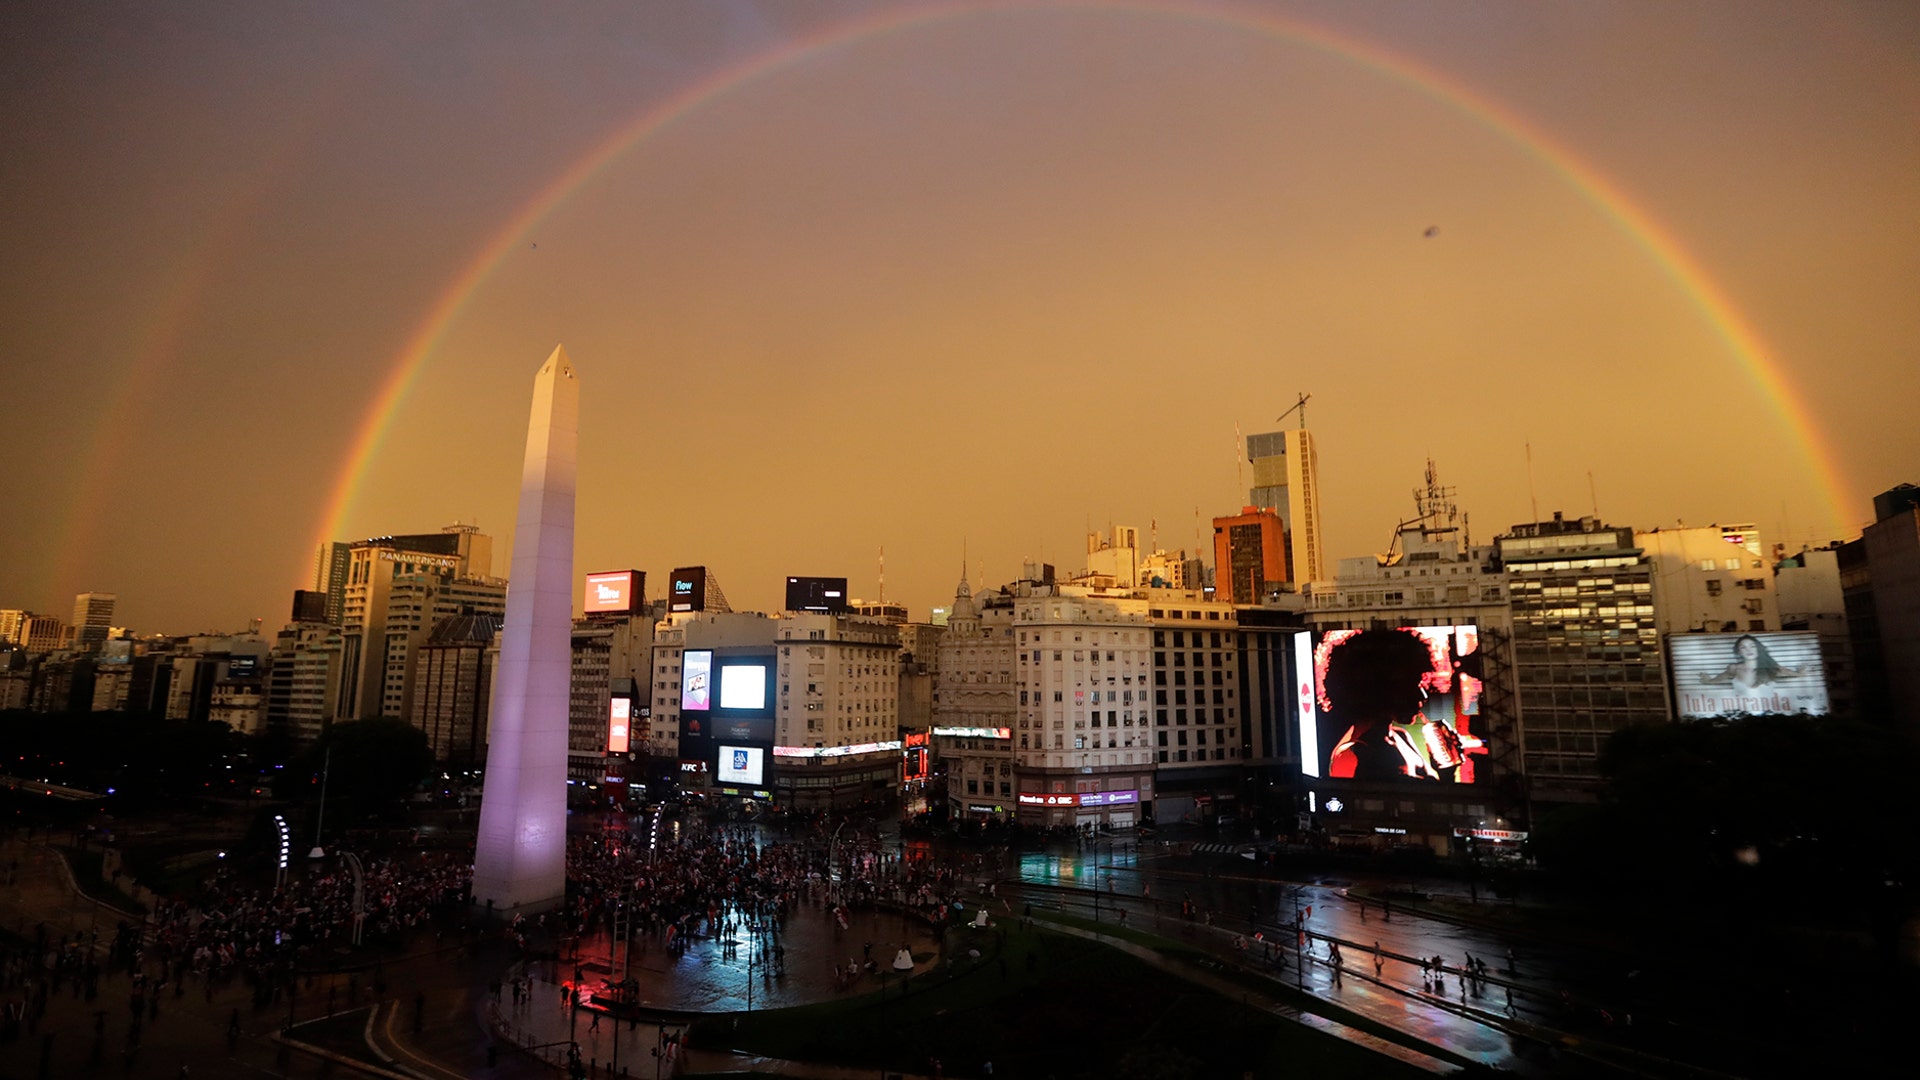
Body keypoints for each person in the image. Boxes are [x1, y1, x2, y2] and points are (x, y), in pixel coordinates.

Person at [1322, 630, 1439, 780]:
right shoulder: (1351, 753)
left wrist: (1445, 764)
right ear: (1382, 686)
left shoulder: (1400, 735)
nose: (1423, 695)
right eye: (1412, 684)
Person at [1698, 634, 1804, 693]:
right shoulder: (1734, 668)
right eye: (1743, 647)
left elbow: (1786, 672)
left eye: (1752, 646)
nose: (1749, 650)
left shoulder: (1769, 667)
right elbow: (1721, 677)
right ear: (1739, 652)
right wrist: (1709, 681)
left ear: (1758, 648)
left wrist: (1799, 673)